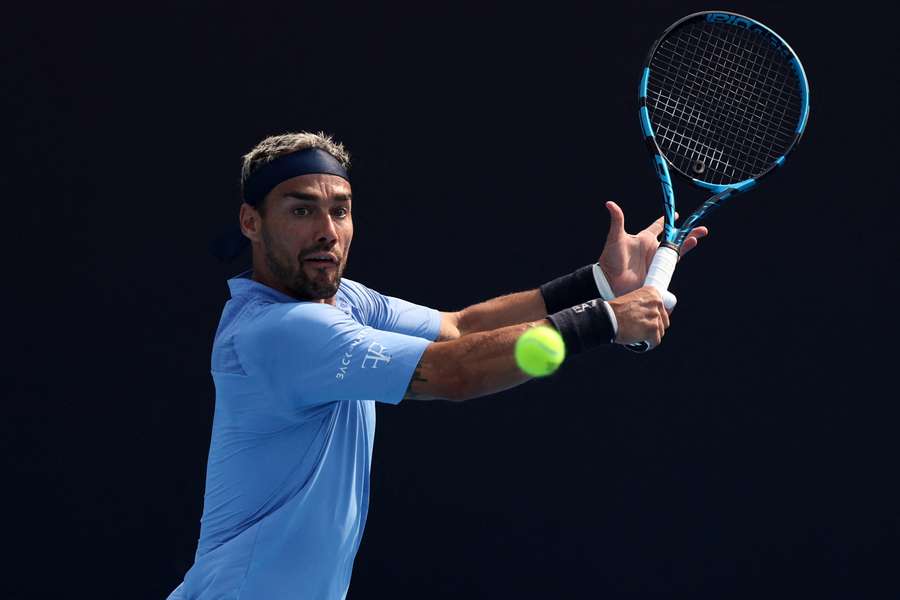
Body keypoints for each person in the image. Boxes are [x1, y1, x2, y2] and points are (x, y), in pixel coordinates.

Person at [167, 131, 707, 599]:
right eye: (301, 209)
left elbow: (461, 327)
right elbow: (453, 373)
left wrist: (598, 284)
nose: (328, 231)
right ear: (251, 222)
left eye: (341, 209)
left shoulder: (344, 301)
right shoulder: (279, 332)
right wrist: (604, 320)